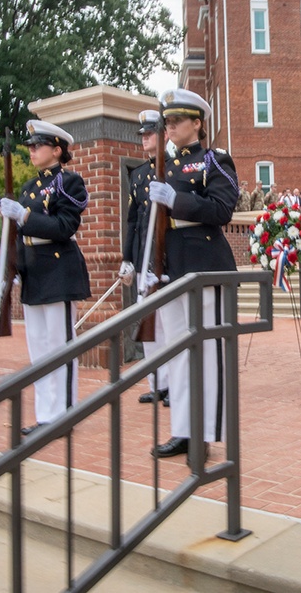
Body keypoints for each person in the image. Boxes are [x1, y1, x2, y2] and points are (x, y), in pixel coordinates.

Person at [147, 88, 239, 465]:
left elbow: (222, 210)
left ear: (197, 124)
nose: (169, 127)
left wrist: (176, 200)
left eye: (176, 120)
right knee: (179, 355)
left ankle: (205, 433)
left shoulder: (213, 160)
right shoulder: (162, 167)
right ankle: (183, 430)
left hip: (205, 266)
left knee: (208, 355)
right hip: (170, 267)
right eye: (166, 121)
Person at [0, 120, 90, 435]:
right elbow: (18, 234)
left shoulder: (69, 182)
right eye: (31, 145)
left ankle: (63, 414)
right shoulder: (28, 188)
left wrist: (25, 216)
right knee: (38, 347)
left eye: (38, 145)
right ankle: (45, 414)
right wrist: (13, 267)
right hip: (34, 270)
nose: (32, 150)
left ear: (56, 149)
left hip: (58, 269)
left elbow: (65, 226)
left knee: (59, 345)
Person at [121, 109, 169, 406]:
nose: (144, 139)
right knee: (149, 325)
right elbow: (132, 220)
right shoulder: (138, 175)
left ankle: (175, 384)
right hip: (143, 257)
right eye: (143, 135)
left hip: (164, 258)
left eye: (149, 133)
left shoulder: (172, 167)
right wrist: (128, 259)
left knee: (168, 324)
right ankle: (157, 382)